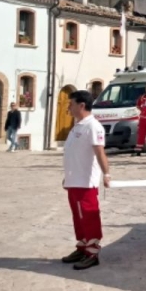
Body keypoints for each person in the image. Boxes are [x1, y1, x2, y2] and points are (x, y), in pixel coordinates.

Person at [60, 90, 110, 270]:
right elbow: (74, 154)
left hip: (85, 183)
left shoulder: (93, 126)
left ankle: (92, 252)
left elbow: (99, 152)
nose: (68, 107)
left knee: (89, 216)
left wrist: (106, 174)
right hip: (74, 181)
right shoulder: (78, 126)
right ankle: (82, 247)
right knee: (78, 217)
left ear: (82, 105)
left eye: (71, 104)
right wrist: (68, 176)